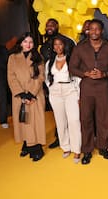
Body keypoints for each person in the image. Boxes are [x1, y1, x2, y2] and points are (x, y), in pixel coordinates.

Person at [69, 19, 108, 165]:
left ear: (101, 31)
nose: (94, 31)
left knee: (104, 119)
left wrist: (104, 74)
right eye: (91, 29)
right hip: (87, 87)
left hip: (103, 88)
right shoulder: (80, 48)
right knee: (85, 119)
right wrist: (85, 74)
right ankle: (87, 150)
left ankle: (103, 147)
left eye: (97, 29)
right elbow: (72, 68)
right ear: (87, 31)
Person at [7, 32, 46, 161]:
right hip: (19, 95)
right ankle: (26, 143)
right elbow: (11, 77)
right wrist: (21, 93)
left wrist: (30, 94)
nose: (28, 45)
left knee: (35, 121)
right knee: (23, 120)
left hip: (35, 94)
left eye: (31, 42)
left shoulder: (38, 56)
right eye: (25, 42)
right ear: (20, 43)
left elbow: (41, 77)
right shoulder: (12, 57)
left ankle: (36, 148)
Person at [40, 18, 76, 149]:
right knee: (59, 116)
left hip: (68, 84)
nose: (49, 27)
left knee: (72, 117)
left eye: (52, 25)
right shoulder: (43, 47)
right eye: (47, 25)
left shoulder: (68, 41)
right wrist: (48, 87)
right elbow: (45, 67)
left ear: (57, 26)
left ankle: (74, 141)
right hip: (54, 86)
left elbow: (74, 61)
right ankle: (60, 139)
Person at [45, 35, 82, 163]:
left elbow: (78, 78)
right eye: (55, 45)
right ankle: (66, 147)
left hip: (70, 91)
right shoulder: (49, 62)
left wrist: (78, 95)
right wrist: (51, 92)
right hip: (55, 93)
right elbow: (47, 79)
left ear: (64, 45)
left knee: (74, 120)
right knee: (60, 122)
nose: (58, 47)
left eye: (60, 44)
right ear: (53, 48)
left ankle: (77, 149)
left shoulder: (71, 59)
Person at [0, 44, 9, 128]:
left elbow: (7, 64)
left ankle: (3, 120)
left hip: (0, 78)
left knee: (3, 99)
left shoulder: (2, 49)